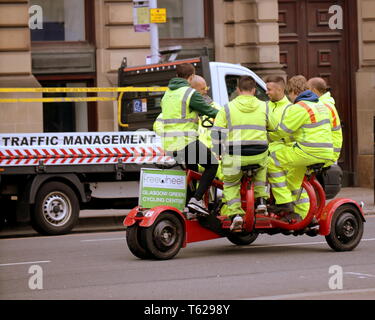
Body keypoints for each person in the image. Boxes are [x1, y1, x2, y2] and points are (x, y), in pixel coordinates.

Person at [267, 75, 334, 222]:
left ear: (292, 92)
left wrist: (266, 135)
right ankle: (305, 217)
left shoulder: (299, 107)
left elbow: (282, 131)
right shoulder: (320, 105)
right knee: (293, 180)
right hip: (326, 152)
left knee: (272, 160)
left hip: (308, 151)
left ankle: (284, 203)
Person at [157, 63, 219, 216]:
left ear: (177, 75)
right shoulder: (189, 93)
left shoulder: (167, 93)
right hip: (186, 141)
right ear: (191, 77)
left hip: (170, 144)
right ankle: (196, 200)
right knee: (212, 165)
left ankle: (189, 206)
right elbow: (209, 111)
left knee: (192, 171)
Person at [211, 76, 269, 232]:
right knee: (262, 167)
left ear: (238, 90)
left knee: (230, 183)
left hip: (234, 154)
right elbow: (273, 127)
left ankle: (235, 214)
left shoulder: (227, 108)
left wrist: (217, 152)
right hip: (258, 153)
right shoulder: (265, 106)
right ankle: (261, 199)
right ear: (254, 90)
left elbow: (217, 133)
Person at [265, 76, 310, 220]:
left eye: (269, 89)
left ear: (280, 89)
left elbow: (286, 134)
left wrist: (268, 136)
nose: (266, 92)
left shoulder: (290, 108)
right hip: (268, 150)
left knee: (295, 187)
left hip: (286, 151)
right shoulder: (264, 106)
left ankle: (304, 217)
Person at [307, 77, 343, 165]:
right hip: (328, 151)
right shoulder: (326, 104)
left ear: (314, 90)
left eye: (307, 89)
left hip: (327, 154)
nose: (306, 92)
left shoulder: (322, 106)